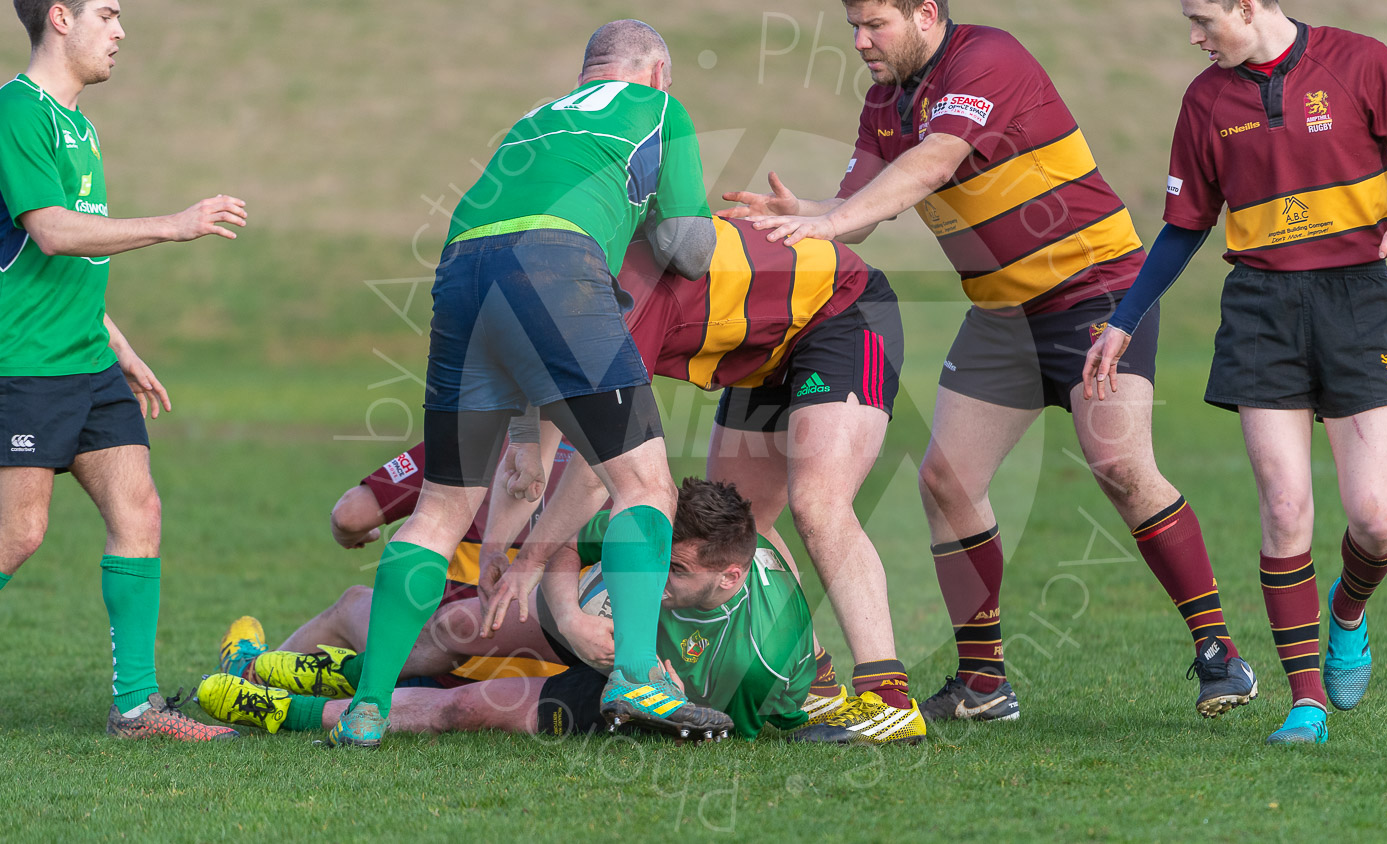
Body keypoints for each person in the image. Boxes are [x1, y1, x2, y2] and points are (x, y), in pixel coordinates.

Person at [727, 0, 1256, 724]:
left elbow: (934, 161)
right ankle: (982, 683)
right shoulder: (886, 102)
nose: (859, 42)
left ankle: (1219, 653)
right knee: (946, 480)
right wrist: (807, 209)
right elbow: (867, 205)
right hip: (1002, 315)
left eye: (875, 24)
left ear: (924, 14)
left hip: (1096, 292)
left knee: (1122, 470)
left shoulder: (986, 59)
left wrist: (826, 220)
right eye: (853, 26)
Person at [1083, 0, 1387, 744]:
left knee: (1376, 519)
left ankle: (1350, 610)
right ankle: (1306, 703)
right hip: (1261, 308)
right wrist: (1124, 319)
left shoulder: (1359, 62)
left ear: (1247, 5)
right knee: (1285, 508)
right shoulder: (1204, 100)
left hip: (1358, 302)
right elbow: (1183, 227)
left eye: (1204, 18)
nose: (1194, 36)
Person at [329, 19, 730, 748]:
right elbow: (689, 248)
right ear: (658, 73)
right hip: (554, 266)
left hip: (462, 271)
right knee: (645, 483)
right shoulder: (661, 111)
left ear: (586, 73)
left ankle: (368, 709)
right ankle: (638, 675)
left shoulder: (533, 120)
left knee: (442, 511)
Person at [488, 215, 923, 743]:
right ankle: (818, 676)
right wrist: (527, 444)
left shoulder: (616, 308)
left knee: (818, 504)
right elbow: (561, 390)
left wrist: (529, 560)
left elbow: (598, 473)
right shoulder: (574, 292)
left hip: (841, 311)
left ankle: (890, 700)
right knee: (742, 524)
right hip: (767, 346)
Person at [0, 0, 248, 740]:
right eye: (107, 13)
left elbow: (75, 258)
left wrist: (120, 345)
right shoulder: (18, 111)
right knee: (18, 534)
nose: (121, 31)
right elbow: (49, 233)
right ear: (60, 18)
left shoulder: (81, 125)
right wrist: (174, 224)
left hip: (87, 363)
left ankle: (137, 710)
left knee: (140, 512)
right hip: (26, 367)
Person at [198, 479, 817, 742]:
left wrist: (679, 700)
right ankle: (273, 664)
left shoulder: (770, 652)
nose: (650, 584)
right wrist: (573, 620)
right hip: (591, 626)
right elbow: (570, 544)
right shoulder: (648, 537)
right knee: (452, 628)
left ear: (731, 577)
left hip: (637, 698)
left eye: (673, 574)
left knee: (464, 707)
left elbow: (746, 725)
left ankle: (284, 706)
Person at [215, 438, 576, 691]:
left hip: (458, 668)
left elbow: (349, 515)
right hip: (565, 674)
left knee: (352, 603)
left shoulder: (473, 439)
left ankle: (248, 673)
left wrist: (352, 533)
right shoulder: (606, 456)